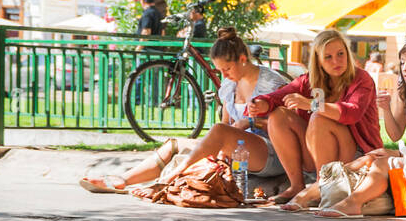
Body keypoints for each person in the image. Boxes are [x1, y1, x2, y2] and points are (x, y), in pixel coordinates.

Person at [80, 28, 288, 194]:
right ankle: (122, 180)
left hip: (270, 152)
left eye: (227, 69)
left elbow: (288, 126)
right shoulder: (229, 85)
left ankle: (169, 178)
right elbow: (226, 124)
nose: (224, 75)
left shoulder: (271, 83)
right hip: (237, 149)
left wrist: (249, 123)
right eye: (220, 70)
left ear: (243, 59)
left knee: (218, 131)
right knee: (174, 144)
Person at [248, 28, 382, 206]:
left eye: (341, 53)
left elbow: (352, 112)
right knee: (278, 116)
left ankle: (321, 188)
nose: (336, 61)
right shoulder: (308, 80)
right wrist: (261, 103)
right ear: (318, 61)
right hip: (319, 153)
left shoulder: (361, 78)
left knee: (319, 117)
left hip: (358, 154)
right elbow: (279, 96)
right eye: (328, 57)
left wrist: (312, 104)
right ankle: (297, 186)